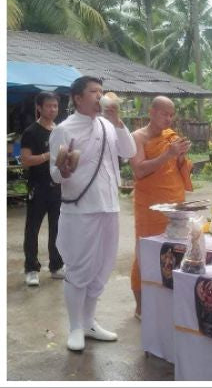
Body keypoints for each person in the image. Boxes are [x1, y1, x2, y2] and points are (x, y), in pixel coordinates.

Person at [50, 76, 136, 352]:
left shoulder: (108, 125)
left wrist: (118, 122)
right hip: (80, 208)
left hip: (109, 205)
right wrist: (63, 170)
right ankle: (75, 327)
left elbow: (130, 151)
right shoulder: (64, 129)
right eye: (93, 92)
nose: (99, 96)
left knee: (102, 267)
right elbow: (54, 173)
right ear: (77, 98)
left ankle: (89, 322)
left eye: (101, 91)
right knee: (80, 267)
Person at [129, 97, 192, 318]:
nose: (169, 118)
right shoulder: (137, 137)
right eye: (165, 113)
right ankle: (141, 307)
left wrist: (181, 156)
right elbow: (139, 170)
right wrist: (168, 154)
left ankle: (168, 304)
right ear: (152, 111)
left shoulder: (171, 137)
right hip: (149, 206)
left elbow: (180, 169)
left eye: (171, 114)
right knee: (145, 253)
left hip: (174, 202)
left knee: (174, 253)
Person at [20, 92, 64, 287]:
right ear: (39, 108)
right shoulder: (31, 132)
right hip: (38, 187)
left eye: (55, 106)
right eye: (49, 106)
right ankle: (31, 268)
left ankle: (56, 265)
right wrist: (49, 155)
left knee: (58, 229)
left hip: (58, 188)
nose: (53, 109)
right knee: (33, 229)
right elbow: (26, 160)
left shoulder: (60, 131)